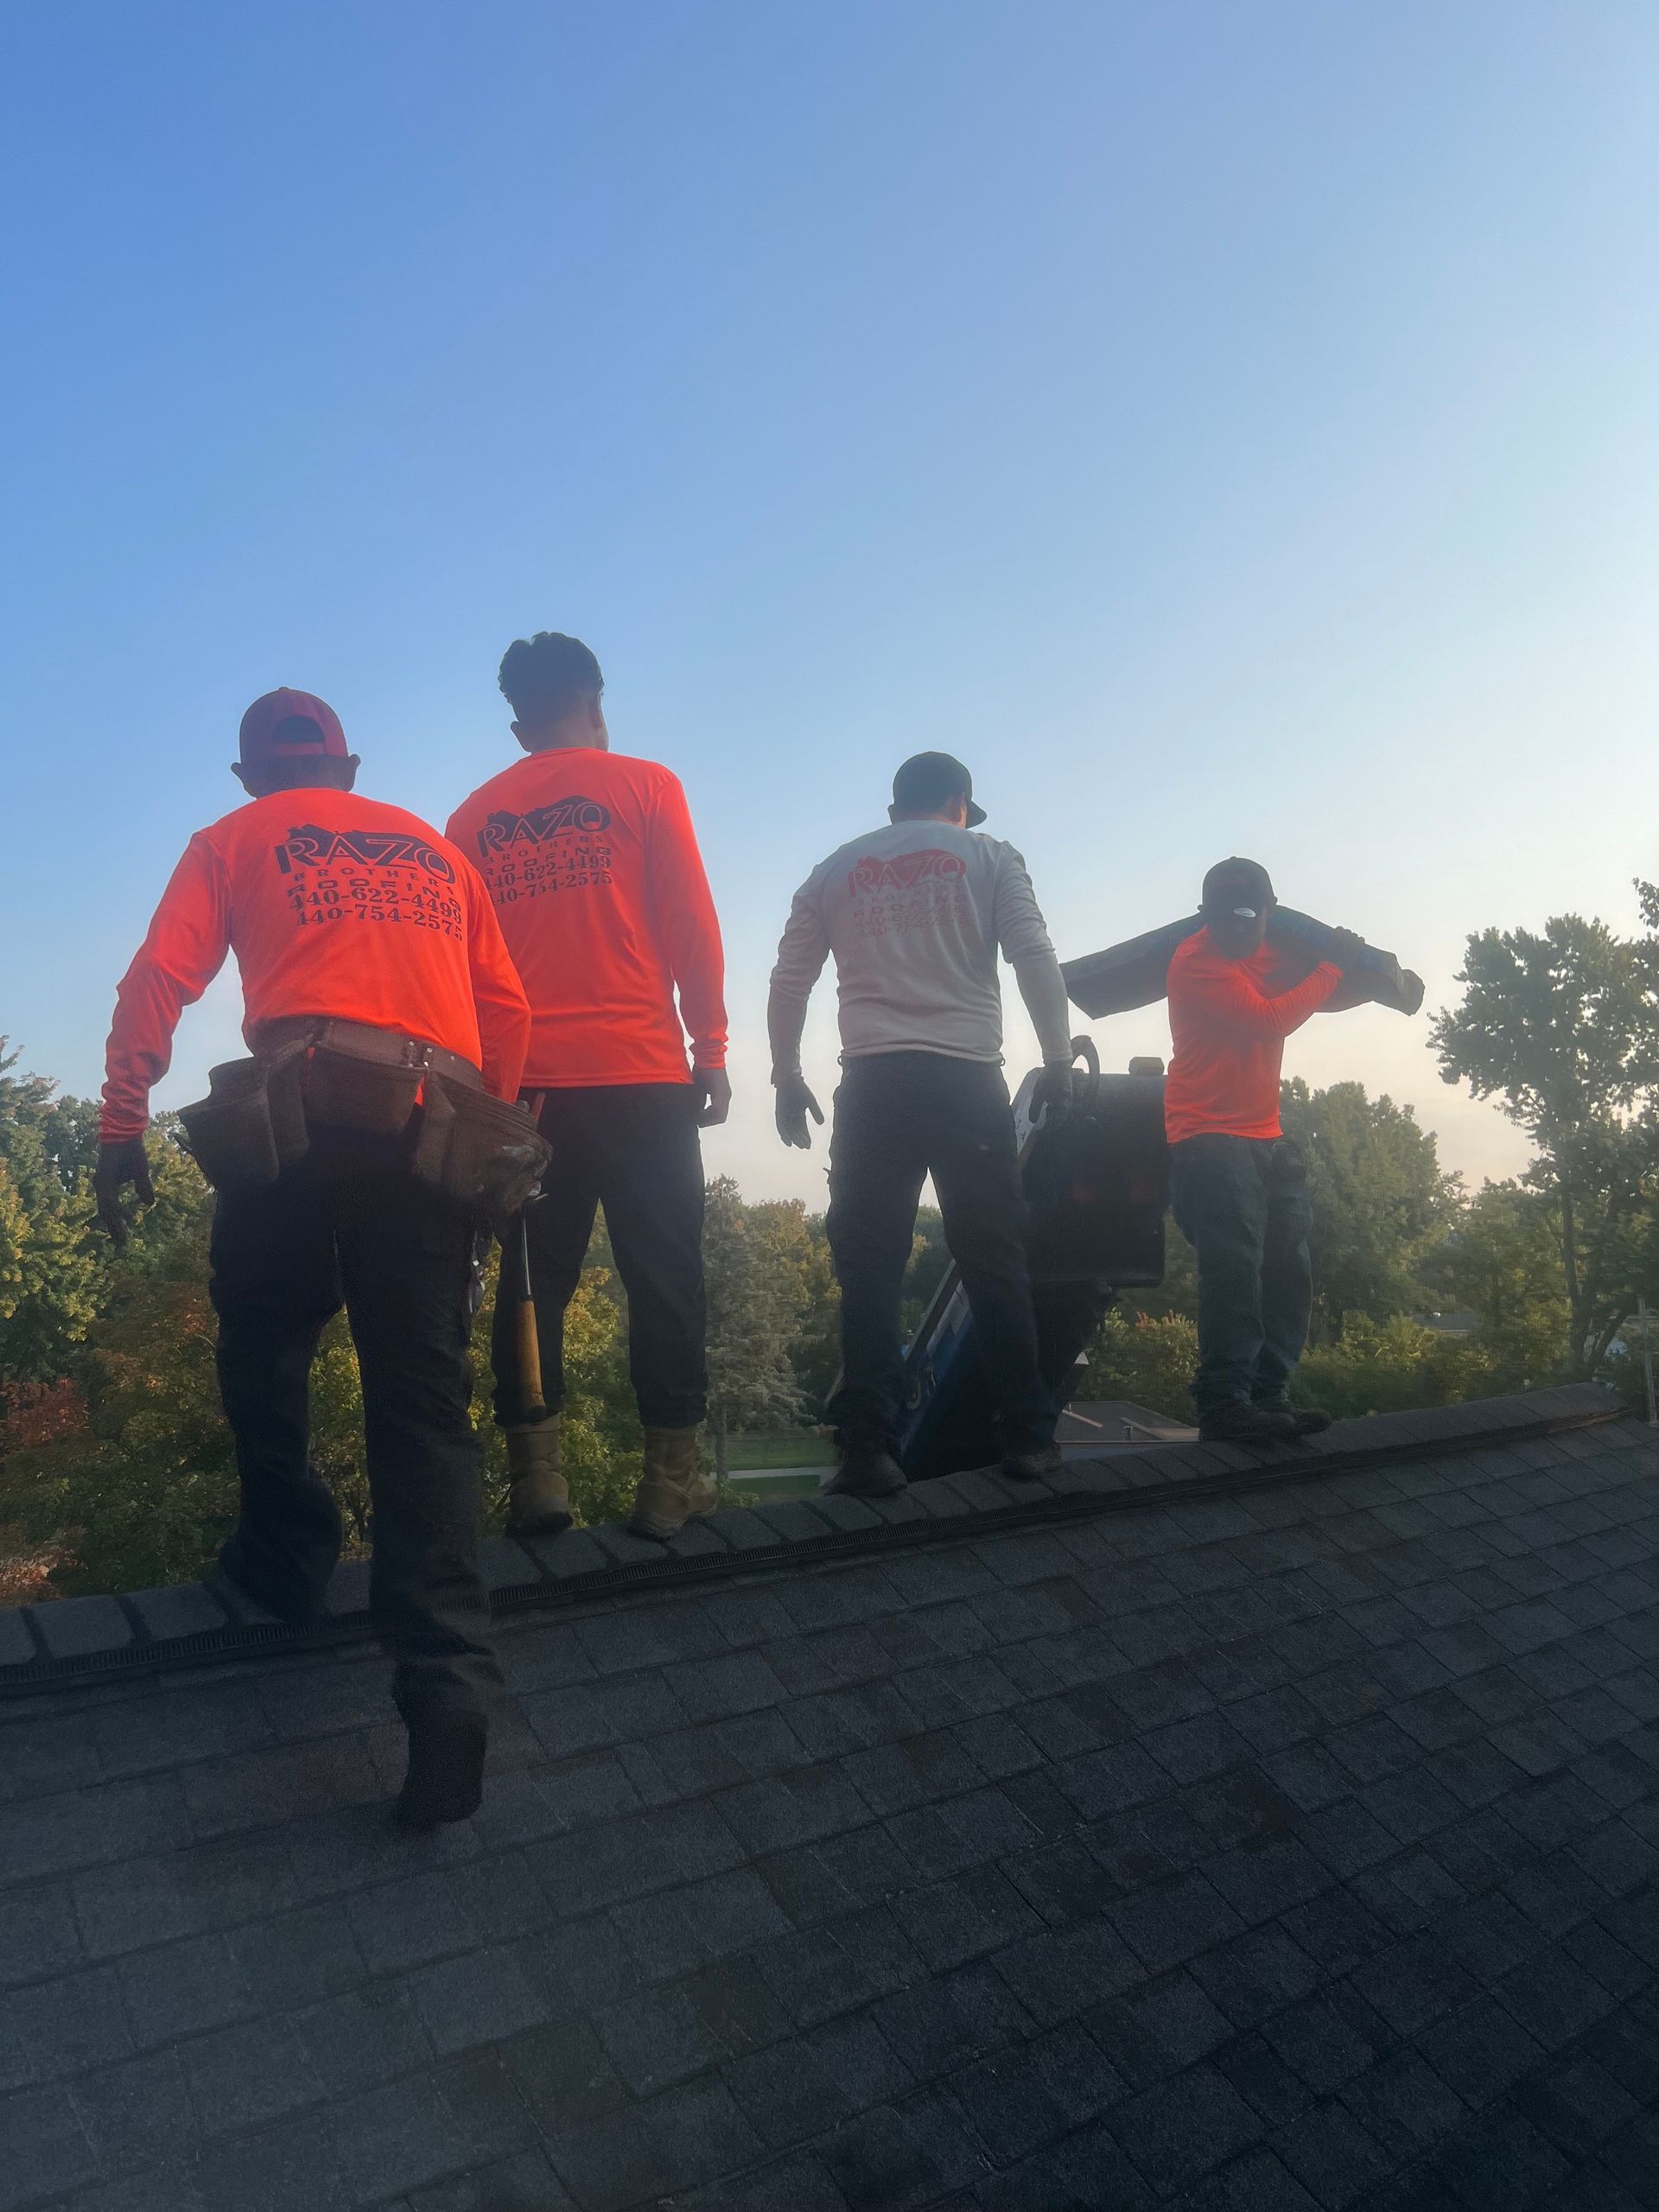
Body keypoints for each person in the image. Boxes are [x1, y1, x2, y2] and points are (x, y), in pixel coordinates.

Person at [95, 688, 532, 1832]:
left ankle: (286, 1555)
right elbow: (507, 1008)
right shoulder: (437, 852)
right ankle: (447, 1696)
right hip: (435, 1117)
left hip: (296, 1114)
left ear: (251, 777)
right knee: (424, 1408)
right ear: (346, 768)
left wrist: (118, 1125)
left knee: (263, 1336)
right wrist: (490, 1126)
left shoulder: (232, 839)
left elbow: (159, 979)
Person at [447, 632, 729, 1542]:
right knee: (665, 1278)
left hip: (529, 1095)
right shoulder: (647, 786)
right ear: (595, 701)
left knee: (532, 1286)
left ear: (518, 719)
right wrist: (712, 1048)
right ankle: (667, 1485)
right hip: (645, 1078)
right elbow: (692, 925)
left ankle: (540, 1482)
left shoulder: (470, 820)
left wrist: (485, 1092)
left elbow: (461, 972)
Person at [767, 751, 1074, 1495]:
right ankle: (1028, 1440)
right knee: (993, 1260)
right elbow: (1033, 955)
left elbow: (790, 980)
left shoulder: (835, 869)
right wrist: (1060, 1060)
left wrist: (786, 1074)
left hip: (872, 1085)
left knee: (869, 1269)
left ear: (895, 805)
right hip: (965, 1078)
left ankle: (867, 1448)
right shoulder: (990, 855)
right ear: (960, 802)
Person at [1164, 855, 1363, 1444]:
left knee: (1288, 1265)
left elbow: (1331, 980)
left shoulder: (1276, 946)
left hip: (1264, 1135)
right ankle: (1225, 1402)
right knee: (1233, 1268)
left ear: (1268, 913)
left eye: (1249, 916)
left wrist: (1369, 973)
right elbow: (1270, 1020)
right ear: (1204, 918)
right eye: (1224, 919)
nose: (1237, 929)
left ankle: (1270, 1396)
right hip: (1206, 1135)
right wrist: (1333, 966)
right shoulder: (1195, 960)